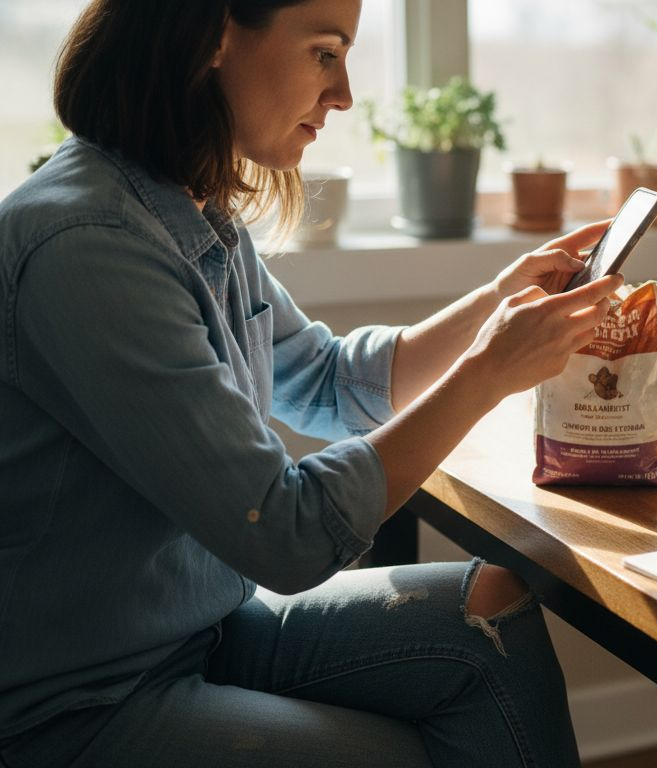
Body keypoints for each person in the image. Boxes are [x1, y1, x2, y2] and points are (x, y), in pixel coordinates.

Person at [0, 0, 624, 765]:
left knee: (494, 608)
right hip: (78, 703)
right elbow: (287, 532)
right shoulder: (90, 248)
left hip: (202, 630)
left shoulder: (187, 210)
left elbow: (331, 381)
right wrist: (489, 371)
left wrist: (499, 300)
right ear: (216, 38)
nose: (345, 95)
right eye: (325, 53)